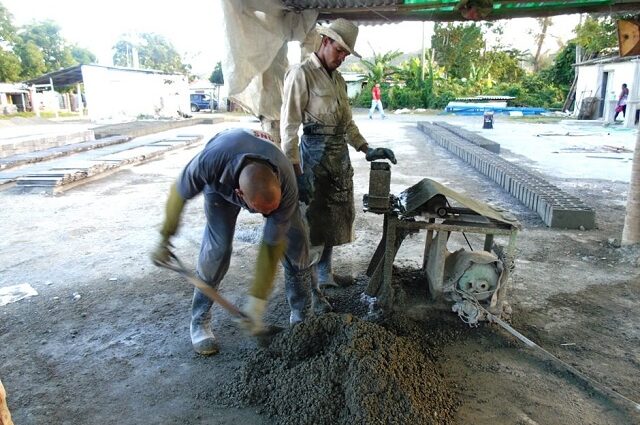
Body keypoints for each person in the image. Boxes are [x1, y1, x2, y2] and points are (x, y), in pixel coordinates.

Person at [152, 128, 313, 355]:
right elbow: (179, 193)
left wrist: (255, 305)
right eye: (260, 212)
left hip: (264, 174)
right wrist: (164, 238)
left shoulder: (285, 183)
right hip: (220, 185)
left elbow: (270, 247)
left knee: (297, 245)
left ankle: (302, 317)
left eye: (270, 212)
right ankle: (199, 321)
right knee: (216, 250)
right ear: (240, 194)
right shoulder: (208, 163)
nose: (266, 217)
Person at [281, 18, 397, 288]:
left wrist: (366, 148)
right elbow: (289, 129)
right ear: (325, 42)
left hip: (338, 161)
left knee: (333, 221)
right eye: (339, 50)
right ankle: (308, 289)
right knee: (311, 225)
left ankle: (325, 276)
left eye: (346, 53)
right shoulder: (301, 74)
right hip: (312, 159)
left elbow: (347, 125)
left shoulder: (339, 81)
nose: (342, 57)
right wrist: (295, 171)